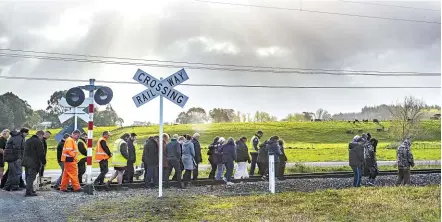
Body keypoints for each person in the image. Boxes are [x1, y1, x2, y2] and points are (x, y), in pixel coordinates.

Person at [22, 130, 46, 197]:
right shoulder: (38, 141)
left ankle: (30, 189)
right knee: (31, 177)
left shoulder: (28, 140)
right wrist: (44, 161)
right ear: (40, 135)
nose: (42, 138)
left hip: (26, 161)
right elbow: (41, 153)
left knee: (27, 176)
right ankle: (28, 192)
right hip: (33, 162)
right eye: (42, 136)